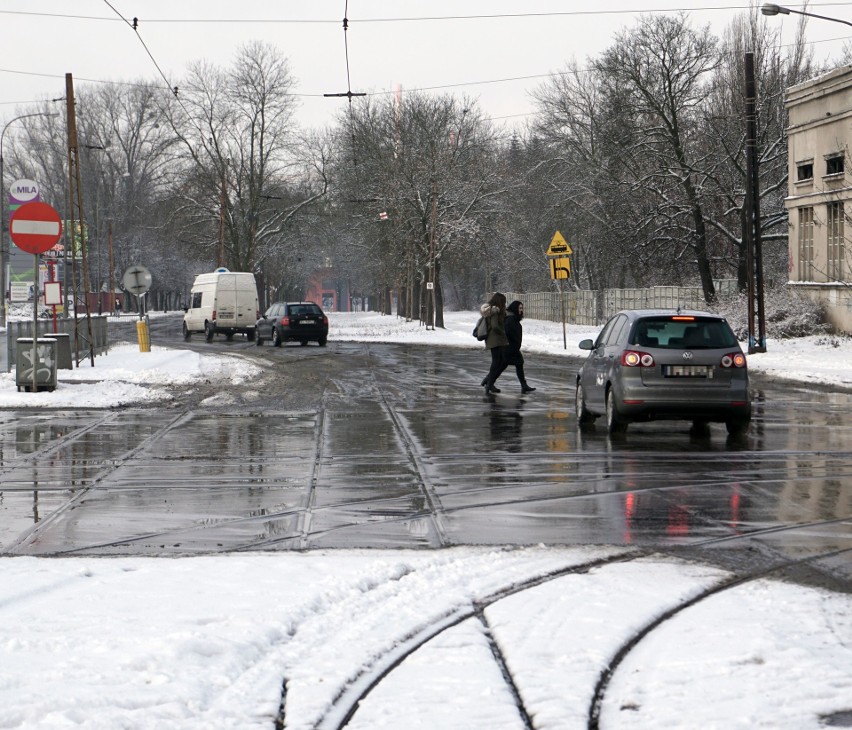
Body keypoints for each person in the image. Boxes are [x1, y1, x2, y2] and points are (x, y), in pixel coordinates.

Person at [480, 292, 509, 394]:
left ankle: (488, 382)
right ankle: (489, 384)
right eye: (504, 302)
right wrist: (503, 333)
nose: (505, 304)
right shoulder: (495, 311)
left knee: (498, 361)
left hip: (493, 339)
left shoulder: (490, 310)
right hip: (496, 339)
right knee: (497, 362)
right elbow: (495, 326)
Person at [504, 300, 536, 393]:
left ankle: (524, 385)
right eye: (520, 308)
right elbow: (508, 333)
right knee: (500, 366)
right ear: (515, 308)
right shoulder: (510, 319)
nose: (521, 310)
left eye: (522, 308)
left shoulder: (514, 318)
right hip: (509, 348)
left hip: (512, 347)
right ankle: (488, 381)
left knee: (518, 363)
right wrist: (513, 343)